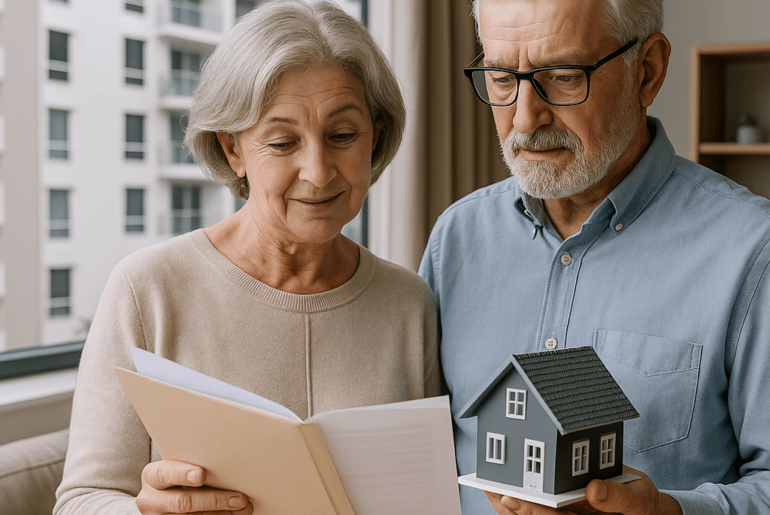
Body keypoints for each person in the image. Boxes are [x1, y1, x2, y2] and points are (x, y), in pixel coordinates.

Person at [54, 2, 441, 514]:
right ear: (233, 149)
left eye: (343, 136)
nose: (319, 171)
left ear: (375, 138)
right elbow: (81, 501)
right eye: (282, 142)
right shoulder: (147, 288)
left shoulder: (408, 304)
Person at [419, 0, 770, 514]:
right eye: (500, 78)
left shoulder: (752, 252)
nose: (524, 117)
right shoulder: (455, 240)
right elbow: (414, 458)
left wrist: (667, 512)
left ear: (647, 71)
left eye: (562, 77)